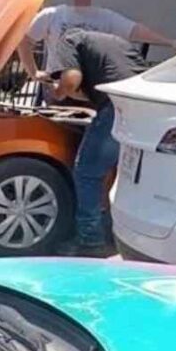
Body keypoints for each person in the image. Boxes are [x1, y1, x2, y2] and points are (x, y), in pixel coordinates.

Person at [48, 29, 146, 257]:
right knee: (130, 175)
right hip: (147, 104)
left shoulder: (67, 40)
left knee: (87, 173)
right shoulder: (115, 40)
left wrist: (59, 92)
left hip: (119, 106)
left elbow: (72, 79)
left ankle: (90, 241)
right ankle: (122, 235)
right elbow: (97, 86)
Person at [18, 0, 176, 81]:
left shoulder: (104, 16)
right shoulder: (53, 15)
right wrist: (33, 73)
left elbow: (134, 30)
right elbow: (25, 41)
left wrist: (169, 42)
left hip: (94, 85)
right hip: (59, 82)